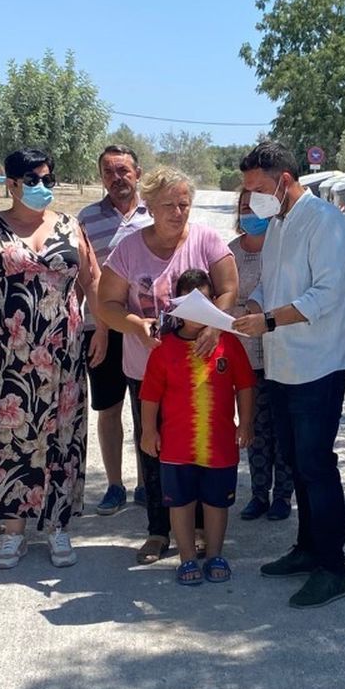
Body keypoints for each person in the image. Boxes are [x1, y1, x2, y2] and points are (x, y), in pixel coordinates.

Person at [0, 148, 103, 569]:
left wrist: (102, 328)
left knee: (60, 436)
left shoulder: (71, 226)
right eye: (32, 180)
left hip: (63, 356)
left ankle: (57, 528)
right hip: (5, 358)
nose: (42, 188)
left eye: (48, 180)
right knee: (8, 439)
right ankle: (13, 532)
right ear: (11, 184)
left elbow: (93, 282)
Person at [231, 140, 345, 609]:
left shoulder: (325, 222)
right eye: (246, 190)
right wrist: (252, 305)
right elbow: (271, 284)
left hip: (320, 364)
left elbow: (326, 294)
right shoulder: (279, 224)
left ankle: (334, 569)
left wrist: (266, 321)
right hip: (283, 362)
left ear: (285, 180)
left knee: (316, 464)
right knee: (296, 461)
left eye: (259, 189)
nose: (252, 200)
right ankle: (307, 549)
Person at [97, 165, 236, 564]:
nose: (178, 212)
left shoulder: (207, 239)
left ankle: (197, 529)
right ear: (149, 206)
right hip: (148, 370)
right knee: (154, 447)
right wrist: (133, 325)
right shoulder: (128, 247)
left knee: (198, 446)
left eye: (184, 204)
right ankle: (158, 531)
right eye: (169, 205)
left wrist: (215, 325)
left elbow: (228, 290)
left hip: (201, 370)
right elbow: (106, 304)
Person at [139, 270, 256, 586]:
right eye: (191, 303)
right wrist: (148, 431)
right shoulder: (163, 349)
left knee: (217, 503)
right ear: (177, 305)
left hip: (220, 445)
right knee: (180, 503)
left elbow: (245, 385)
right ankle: (187, 559)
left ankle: (216, 553)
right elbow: (149, 394)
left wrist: (245, 423)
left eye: (205, 301)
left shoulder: (228, 345)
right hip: (176, 448)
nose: (198, 310)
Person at [76, 144, 152, 515]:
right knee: (108, 408)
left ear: (137, 173)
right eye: (109, 171)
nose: (117, 178)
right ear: (101, 177)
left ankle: (146, 483)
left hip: (143, 329)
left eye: (123, 170)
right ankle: (114, 485)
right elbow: (83, 277)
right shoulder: (86, 219)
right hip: (99, 329)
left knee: (146, 408)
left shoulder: (155, 214)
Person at [228, 186, 293, 522]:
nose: (249, 213)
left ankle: (283, 495)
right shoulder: (228, 252)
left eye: (255, 206)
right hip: (242, 355)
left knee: (282, 429)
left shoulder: (280, 246)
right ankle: (257, 494)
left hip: (277, 351)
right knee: (252, 428)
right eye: (243, 207)